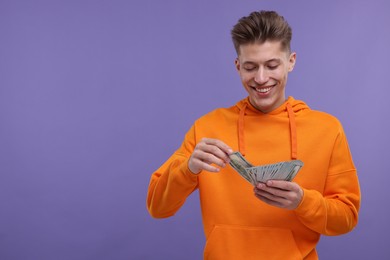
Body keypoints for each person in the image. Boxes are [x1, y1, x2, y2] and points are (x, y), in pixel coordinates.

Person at [146, 10, 360, 260]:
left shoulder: (327, 129)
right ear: (238, 66)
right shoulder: (207, 128)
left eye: (271, 65)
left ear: (291, 61)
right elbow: (157, 208)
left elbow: (347, 218)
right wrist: (187, 169)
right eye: (250, 67)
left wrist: (303, 202)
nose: (260, 78)